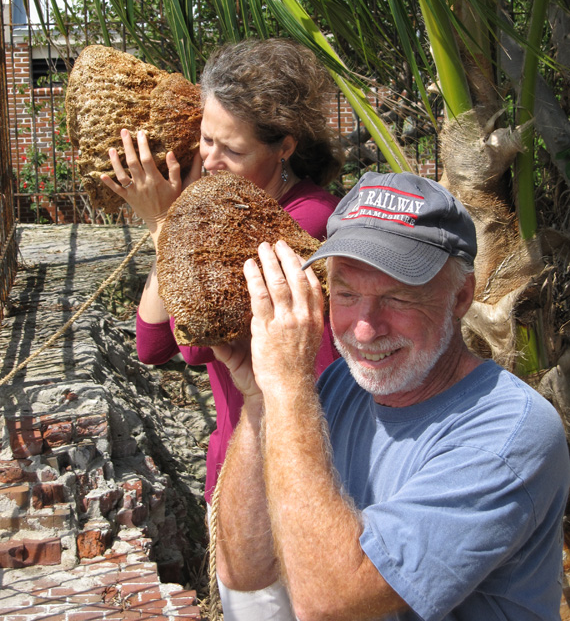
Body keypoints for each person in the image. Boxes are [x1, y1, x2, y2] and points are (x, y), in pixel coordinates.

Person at [214, 170, 570, 621]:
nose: (364, 329)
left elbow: (329, 602)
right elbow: (245, 570)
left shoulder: (510, 434)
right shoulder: (339, 385)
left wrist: (286, 386)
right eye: (345, 294)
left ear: (461, 296)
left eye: (398, 298)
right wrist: (262, 398)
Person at [100, 38, 344, 619]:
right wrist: (178, 226)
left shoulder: (303, 223)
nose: (207, 159)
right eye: (205, 138)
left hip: (299, 479)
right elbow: (151, 342)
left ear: (284, 146)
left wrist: (168, 223)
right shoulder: (220, 209)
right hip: (239, 465)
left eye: (228, 148)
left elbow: (189, 339)